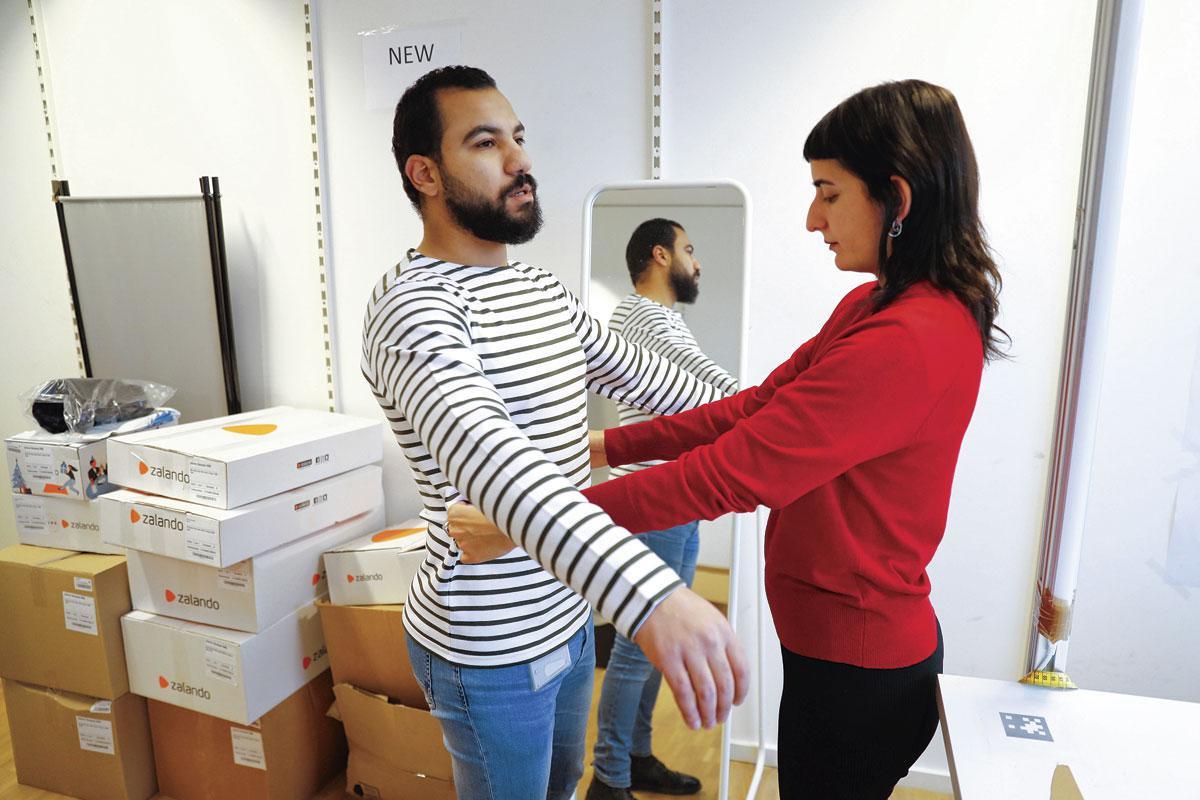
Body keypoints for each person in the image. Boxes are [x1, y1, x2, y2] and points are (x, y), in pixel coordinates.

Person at [452, 79, 1005, 799]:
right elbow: (754, 408)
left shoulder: (910, 337)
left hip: (859, 668)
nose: (813, 218)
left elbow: (731, 473)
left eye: (829, 193)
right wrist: (604, 448)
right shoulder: (875, 305)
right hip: (834, 649)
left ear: (896, 199)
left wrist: (527, 523)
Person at [361, 66, 748, 800]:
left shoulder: (538, 290)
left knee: (563, 782)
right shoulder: (412, 310)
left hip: (567, 613)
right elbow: (501, 466)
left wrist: (779, 414)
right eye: (486, 143)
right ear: (426, 174)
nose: (520, 161)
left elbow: (657, 383)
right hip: (491, 643)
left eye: (519, 138)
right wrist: (652, 597)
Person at [588, 219, 738, 800]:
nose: (696, 263)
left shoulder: (663, 318)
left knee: (656, 643)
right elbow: (709, 387)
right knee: (638, 643)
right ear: (660, 254)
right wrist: (770, 405)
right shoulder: (642, 317)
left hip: (673, 494)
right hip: (653, 500)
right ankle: (609, 778)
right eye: (689, 250)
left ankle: (634, 757)